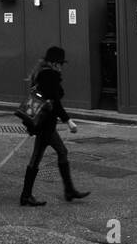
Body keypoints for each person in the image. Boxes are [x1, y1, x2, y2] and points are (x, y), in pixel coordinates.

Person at [21, 45, 89, 207]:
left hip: (45, 124)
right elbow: (55, 101)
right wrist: (68, 121)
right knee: (37, 158)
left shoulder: (43, 73)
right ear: (55, 63)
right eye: (60, 63)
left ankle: (69, 190)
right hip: (45, 125)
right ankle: (26, 195)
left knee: (60, 152)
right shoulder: (49, 75)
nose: (62, 66)